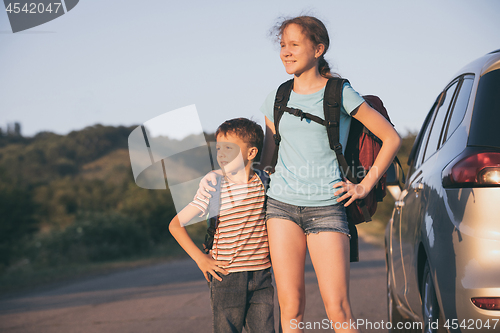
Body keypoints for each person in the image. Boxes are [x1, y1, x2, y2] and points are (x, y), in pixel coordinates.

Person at [198, 16, 401, 333]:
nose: (285, 52)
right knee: (290, 306)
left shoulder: (339, 93)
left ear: (318, 48)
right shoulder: (277, 97)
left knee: (338, 308)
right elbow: (266, 163)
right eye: (282, 45)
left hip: (327, 207)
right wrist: (225, 180)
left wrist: (364, 186)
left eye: (294, 44)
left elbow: (391, 138)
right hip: (281, 208)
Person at [169, 118, 274, 333]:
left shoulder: (265, 181)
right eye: (218, 148)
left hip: (262, 273)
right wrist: (200, 258)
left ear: (251, 153)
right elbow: (175, 225)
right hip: (226, 275)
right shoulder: (213, 185)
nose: (222, 154)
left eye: (229, 148)